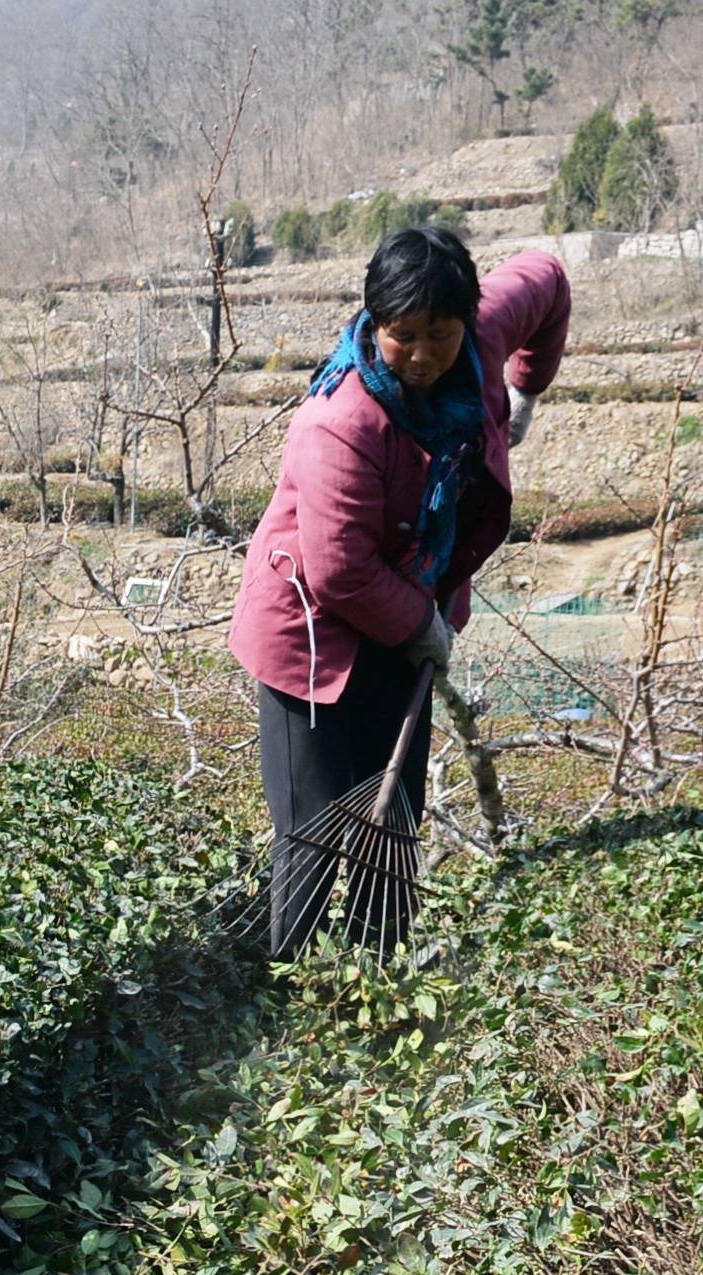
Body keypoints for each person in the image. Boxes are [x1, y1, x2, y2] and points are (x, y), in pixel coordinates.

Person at [229, 222, 571, 957]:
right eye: (401, 335)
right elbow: (341, 569)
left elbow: (546, 276)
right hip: (312, 635)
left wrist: (523, 389)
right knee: (313, 832)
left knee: (393, 824)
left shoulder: (480, 341)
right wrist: (423, 624)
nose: (421, 357)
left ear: (467, 321)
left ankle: (378, 979)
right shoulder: (341, 421)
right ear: (372, 321)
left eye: (439, 335)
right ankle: (288, 984)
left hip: (401, 610)